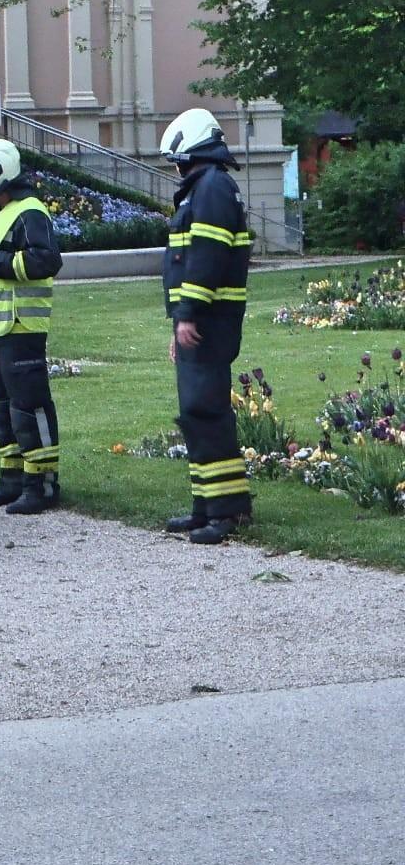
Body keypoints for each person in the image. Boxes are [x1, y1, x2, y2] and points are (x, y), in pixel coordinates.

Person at [159, 107, 253, 544]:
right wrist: (179, 318)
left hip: (208, 320)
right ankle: (207, 505)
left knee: (206, 411)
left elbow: (207, 258)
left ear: (188, 150)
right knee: (196, 413)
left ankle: (227, 511)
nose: (175, 167)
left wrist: (188, 314)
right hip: (203, 319)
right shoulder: (206, 187)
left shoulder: (211, 188)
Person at [0, 138, 63, 515]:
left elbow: (47, 260)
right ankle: (12, 479)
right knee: (1, 407)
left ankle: (43, 484)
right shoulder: (1, 212)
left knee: (28, 406)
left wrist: (2, 263)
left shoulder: (30, 212)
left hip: (21, 327)